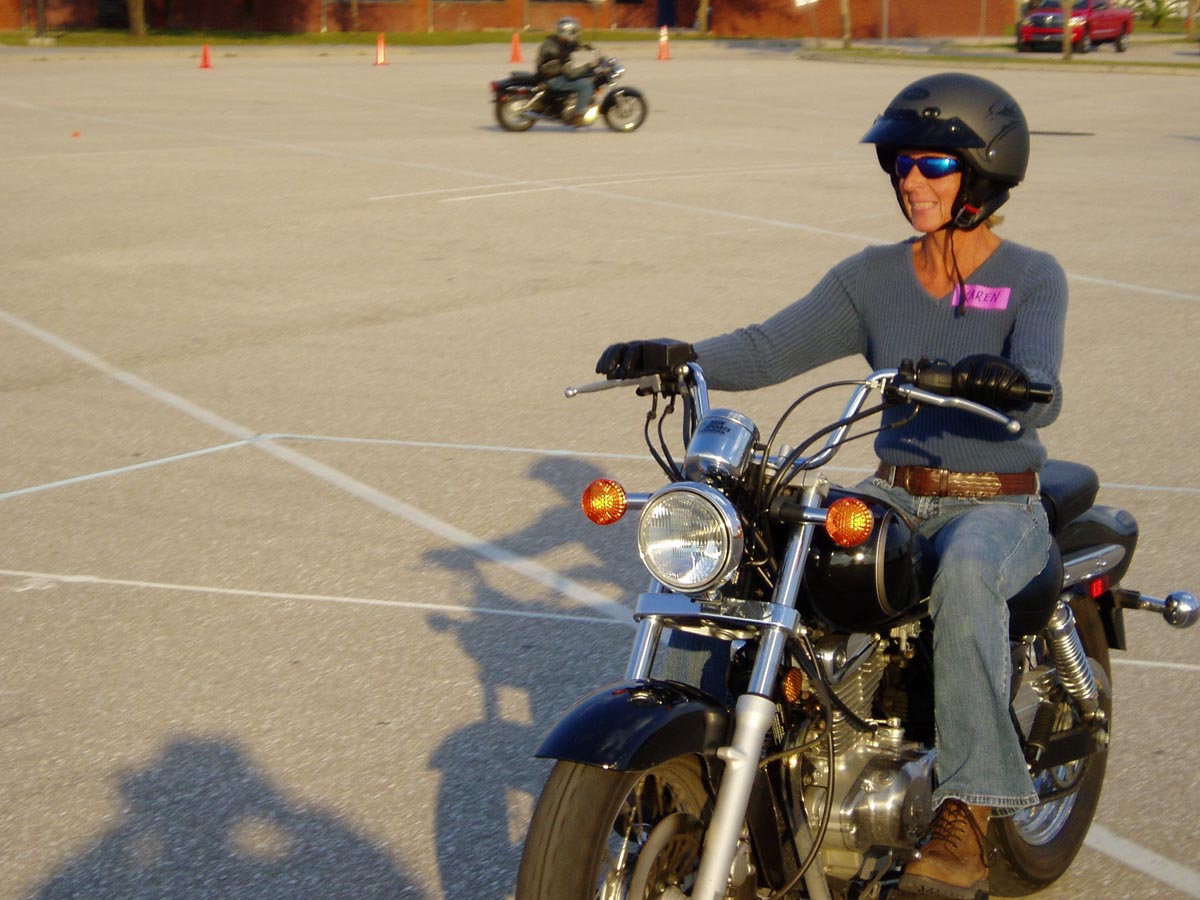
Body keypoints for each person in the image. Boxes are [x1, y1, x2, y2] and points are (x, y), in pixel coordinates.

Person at [595, 72, 1067, 900]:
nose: (911, 180)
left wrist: (1010, 381)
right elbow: (770, 346)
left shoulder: (1032, 276)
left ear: (983, 176)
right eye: (900, 163)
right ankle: (742, 748)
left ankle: (967, 812)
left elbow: (1044, 388)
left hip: (998, 498)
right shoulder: (871, 278)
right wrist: (682, 356)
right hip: (895, 492)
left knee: (964, 573)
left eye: (932, 164)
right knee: (768, 544)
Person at [536, 17, 596, 125]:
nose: (576, 34)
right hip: (552, 79)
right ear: (567, 32)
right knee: (586, 86)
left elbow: (570, 45)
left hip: (549, 74)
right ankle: (577, 116)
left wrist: (582, 46)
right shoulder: (560, 52)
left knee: (582, 79)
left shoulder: (554, 41)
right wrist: (589, 67)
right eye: (574, 32)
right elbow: (571, 74)